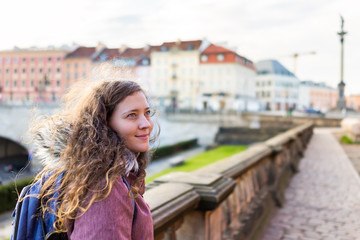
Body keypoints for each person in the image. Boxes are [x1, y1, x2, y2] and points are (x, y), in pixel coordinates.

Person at [30, 80, 156, 239]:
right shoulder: (104, 187)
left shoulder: (107, 172)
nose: (146, 124)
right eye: (132, 115)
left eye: (147, 112)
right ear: (104, 125)